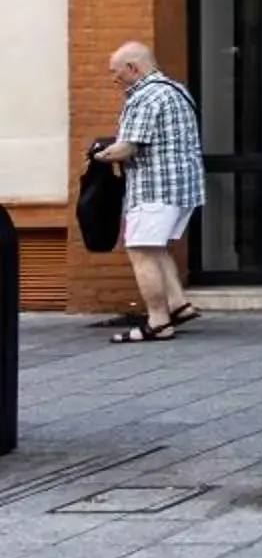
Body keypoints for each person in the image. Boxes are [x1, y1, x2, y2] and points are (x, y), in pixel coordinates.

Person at [95, 42, 202, 344]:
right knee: (155, 249)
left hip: (155, 188)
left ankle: (158, 321)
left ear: (133, 68)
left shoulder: (146, 97)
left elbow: (129, 146)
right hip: (181, 187)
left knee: (140, 251)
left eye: (116, 73)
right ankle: (179, 304)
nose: (114, 79)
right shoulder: (175, 90)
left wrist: (99, 155)